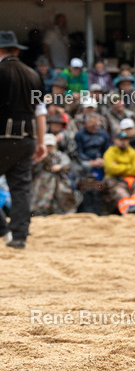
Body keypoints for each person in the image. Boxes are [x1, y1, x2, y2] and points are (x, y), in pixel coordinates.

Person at [0, 31, 47, 248]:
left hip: (1, 138)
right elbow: (40, 112)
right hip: (27, 139)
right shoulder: (34, 75)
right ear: (17, 50)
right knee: (20, 188)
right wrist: (41, 142)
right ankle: (19, 236)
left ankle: (2, 229)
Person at [102, 131, 135, 215]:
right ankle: (128, 210)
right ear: (115, 141)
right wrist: (129, 166)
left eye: (125, 140)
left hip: (132, 179)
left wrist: (118, 166)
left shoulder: (133, 152)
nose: (123, 142)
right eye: (121, 140)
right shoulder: (109, 152)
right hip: (115, 179)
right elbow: (111, 169)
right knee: (119, 191)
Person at [30, 133, 74, 215]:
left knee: (64, 195)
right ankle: (40, 212)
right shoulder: (38, 155)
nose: (49, 148)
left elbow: (67, 162)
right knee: (41, 199)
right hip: (42, 181)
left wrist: (60, 166)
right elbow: (33, 166)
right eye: (47, 146)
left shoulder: (59, 154)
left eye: (51, 146)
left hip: (58, 180)